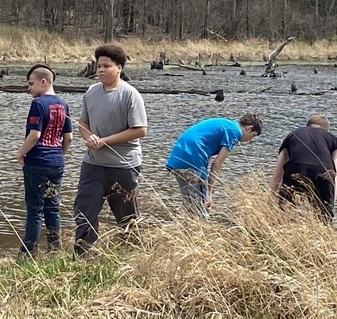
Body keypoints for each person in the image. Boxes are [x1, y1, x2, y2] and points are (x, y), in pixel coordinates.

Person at [73, 43, 147, 257]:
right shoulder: (91, 92)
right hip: (92, 164)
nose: (101, 70)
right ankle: (84, 256)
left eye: (106, 66)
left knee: (126, 216)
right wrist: (89, 137)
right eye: (98, 67)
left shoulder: (130, 95)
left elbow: (140, 130)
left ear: (119, 68)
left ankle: (132, 255)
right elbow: (82, 123)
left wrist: (105, 141)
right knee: (84, 210)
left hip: (123, 165)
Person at [16, 63, 73, 255]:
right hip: (56, 162)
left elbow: (34, 135)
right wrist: (59, 155)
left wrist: (21, 153)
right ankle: (55, 250)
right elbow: (69, 137)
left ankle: (28, 253)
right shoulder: (63, 104)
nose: (29, 88)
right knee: (52, 207)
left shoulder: (38, 104)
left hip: (37, 162)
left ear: (43, 81)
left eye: (31, 84)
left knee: (35, 209)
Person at [165, 114, 262, 217]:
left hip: (177, 158)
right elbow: (217, 163)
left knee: (189, 206)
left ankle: (187, 228)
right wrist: (209, 193)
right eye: (253, 135)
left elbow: (209, 154)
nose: (250, 140)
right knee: (202, 208)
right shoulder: (235, 131)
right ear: (249, 128)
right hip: (194, 157)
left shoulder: (227, 124)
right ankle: (202, 229)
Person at [268, 113, 337, 218]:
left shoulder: (293, 135)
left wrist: (268, 204)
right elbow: (335, 177)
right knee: (323, 218)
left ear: (308, 125)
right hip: (323, 174)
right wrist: (331, 205)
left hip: (295, 172)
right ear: (327, 130)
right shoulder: (333, 140)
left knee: (285, 213)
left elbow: (277, 176)